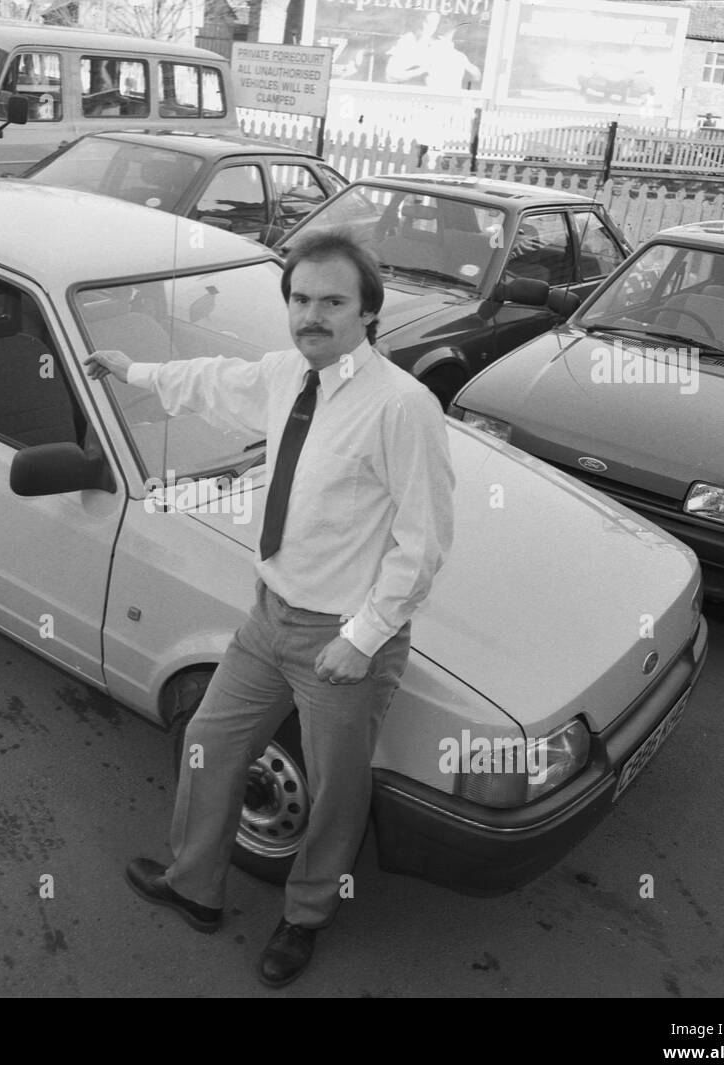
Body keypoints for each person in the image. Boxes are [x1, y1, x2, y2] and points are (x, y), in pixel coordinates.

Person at [84, 229, 456, 987]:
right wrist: (135, 369)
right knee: (210, 744)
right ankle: (194, 885)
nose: (311, 315)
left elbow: (424, 542)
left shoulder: (401, 407)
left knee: (334, 792)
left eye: (332, 301)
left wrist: (363, 636)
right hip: (268, 618)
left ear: (368, 313)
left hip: (343, 640)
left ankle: (305, 916)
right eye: (299, 298)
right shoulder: (290, 374)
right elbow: (216, 378)